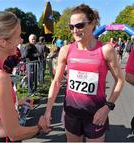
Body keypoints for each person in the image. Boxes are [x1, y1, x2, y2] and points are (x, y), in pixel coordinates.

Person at [44, 4, 124, 142]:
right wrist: (48, 110)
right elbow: (56, 82)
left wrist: (107, 107)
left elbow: (120, 80)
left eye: (80, 25)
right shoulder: (66, 50)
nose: (75, 30)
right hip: (71, 113)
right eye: (71, 27)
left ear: (92, 24)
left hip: (96, 113)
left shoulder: (106, 49)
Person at [0, 11, 49, 142]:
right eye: (18, 36)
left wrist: (15, 101)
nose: (21, 40)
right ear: (3, 42)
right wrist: (40, 127)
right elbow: (15, 134)